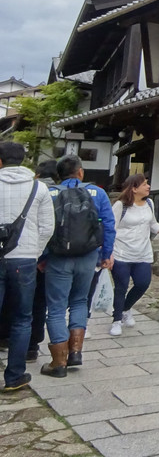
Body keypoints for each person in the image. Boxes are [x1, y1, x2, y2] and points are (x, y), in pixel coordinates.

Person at [41, 155, 115, 378]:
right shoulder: (98, 193)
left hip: (58, 257)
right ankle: (75, 352)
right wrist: (106, 254)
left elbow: (44, 227)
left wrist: (42, 257)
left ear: (59, 174)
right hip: (87, 256)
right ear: (80, 172)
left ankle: (58, 362)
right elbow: (108, 225)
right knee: (80, 301)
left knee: (55, 307)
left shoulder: (50, 193)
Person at [0, 142, 55, 392]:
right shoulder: (39, 187)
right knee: (22, 318)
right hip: (24, 260)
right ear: (23, 160)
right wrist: (33, 253)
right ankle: (14, 376)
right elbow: (47, 228)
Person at [109, 173, 159, 335]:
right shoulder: (120, 206)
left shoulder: (149, 204)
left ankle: (126, 308)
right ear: (134, 188)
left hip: (142, 253)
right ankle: (116, 320)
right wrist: (108, 252)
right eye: (145, 184)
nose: (148, 186)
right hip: (121, 253)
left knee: (142, 283)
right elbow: (110, 228)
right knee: (121, 287)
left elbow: (153, 224)